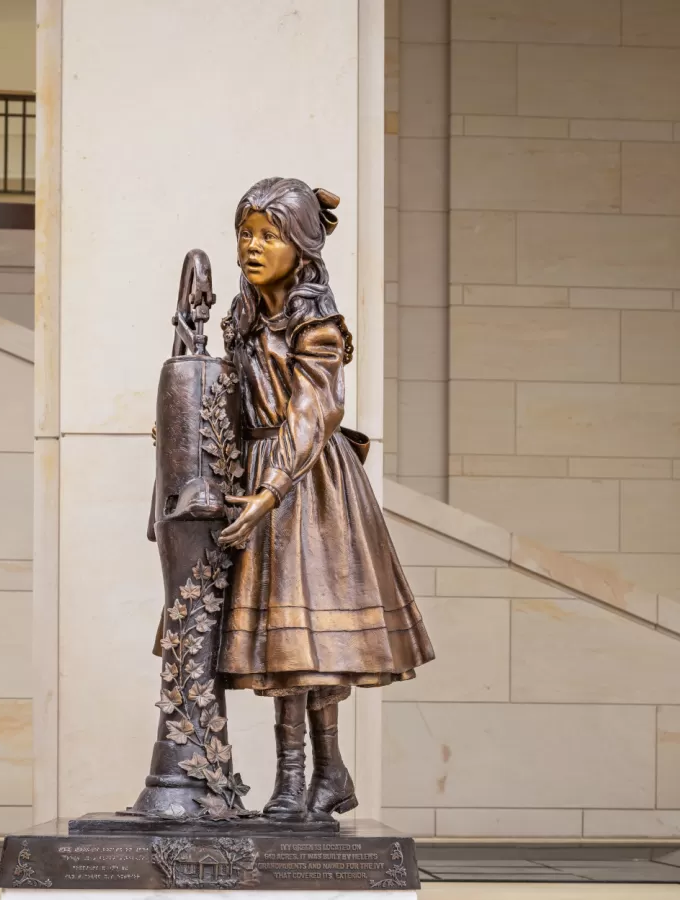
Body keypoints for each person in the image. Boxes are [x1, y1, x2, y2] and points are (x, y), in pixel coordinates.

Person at [216, 177, 435, 821]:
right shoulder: (244, 316)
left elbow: (315, 414)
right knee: (285, 640)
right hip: (262, 476)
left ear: (302, 245)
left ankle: (307, 778)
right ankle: (311, 775)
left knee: (309, 633)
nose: (252, 246)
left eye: (269, 234)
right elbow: (231, 397)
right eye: (246, 233)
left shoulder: (318, 325)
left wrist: (271, 490)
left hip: (308, 483)